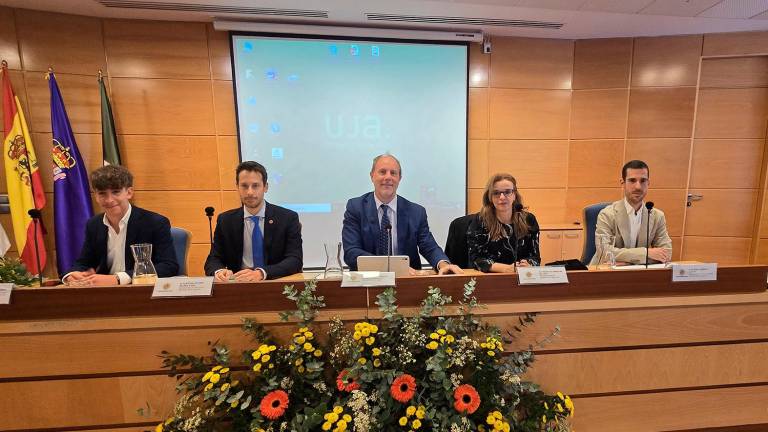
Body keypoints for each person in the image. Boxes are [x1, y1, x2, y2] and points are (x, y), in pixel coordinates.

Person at [342, 154, 463, 275]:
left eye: (393, 173)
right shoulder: (356, 207)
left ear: (399, 178)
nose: (388, 177)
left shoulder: (416, 212)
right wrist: (392, 268)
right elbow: (351, 252)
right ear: (372, 176)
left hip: (407, 283)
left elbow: (428, 246)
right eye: (382, 172)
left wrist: (443, 264)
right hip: (366, 283)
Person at [63, 165, 178, 285]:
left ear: (129, 192)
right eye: (102, 194)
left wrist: (118, 278)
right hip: (104, 293)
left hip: (141, 292)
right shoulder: (93, 225)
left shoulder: (155, 222)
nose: (109, 200)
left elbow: (168, 266)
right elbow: (84, 262)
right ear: (96, 196)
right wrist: (72, 275)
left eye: (115, 192)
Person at [204, 161, 302, 281]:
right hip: (238, 286)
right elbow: (214, 259)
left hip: (275, 284)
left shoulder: (287, 218)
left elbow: (295, 260)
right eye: (244, 186)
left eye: (255, 186)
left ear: (265, 187)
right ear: (237, 187)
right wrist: (219, 271)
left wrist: (262, 273)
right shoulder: (226, 221)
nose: (249, 192)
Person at [589, 160, 672, 265]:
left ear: (648, 183)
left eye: (643, 181)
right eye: (632, 180)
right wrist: (645, 253)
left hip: (639, 275)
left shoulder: (657, 216)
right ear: (622, 183)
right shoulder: (606, 214)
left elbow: (667, 253)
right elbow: (604, 252)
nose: (638, 186)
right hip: (605, 274)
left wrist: (626, 262)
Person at [467, 173, 540, 273]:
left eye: (507, 192)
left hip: (521, 276)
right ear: (490, 197)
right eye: (496, 193)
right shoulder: (480, 221)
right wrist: (506, 269)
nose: (502, 197)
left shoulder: (529, 220)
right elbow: (475, 259)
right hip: (490, 279)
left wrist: (528, 264)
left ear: (514, 195)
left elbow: (535, 257)